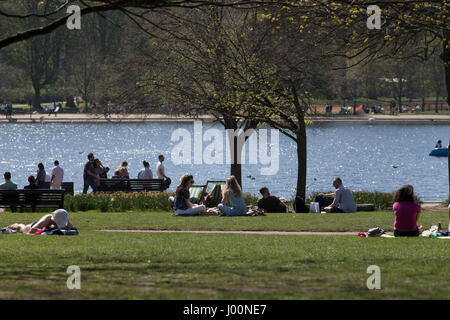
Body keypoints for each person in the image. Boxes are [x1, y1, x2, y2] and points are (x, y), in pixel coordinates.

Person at [8, 209, 73, 234]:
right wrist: (44, 230)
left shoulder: (63, 216)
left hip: (40, 227)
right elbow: (32, 230)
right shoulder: (48, 218)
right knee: (21, 227)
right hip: (30, 227)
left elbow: (70, 227)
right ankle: (13, 225)